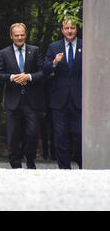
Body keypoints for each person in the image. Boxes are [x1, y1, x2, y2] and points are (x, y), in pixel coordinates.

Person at [0, 23, 45, 169]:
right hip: (13, 100)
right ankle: (15, 164)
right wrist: (11, 77)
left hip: (31, 100)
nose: (19, 37)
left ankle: (30, 159)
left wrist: (28, 76)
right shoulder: (4, 53)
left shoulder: (34, 51)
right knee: (13, 134)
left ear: (26, 35)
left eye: (22, 34)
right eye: (16, 35)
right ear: (11, 36)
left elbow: (43, 73)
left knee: (32, 132)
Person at [43, 18, 82, 169]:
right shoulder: (54, 47)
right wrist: (54, 62)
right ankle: (64, 169)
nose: (70, 30)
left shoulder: (85, 45)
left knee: (79, 135)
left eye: (72, 27)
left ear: (76, 29)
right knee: (60, 136)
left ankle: (82, 164)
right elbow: (45, 70)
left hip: (80, 98)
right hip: (59, 100)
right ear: (62, 30)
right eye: (67, 28)